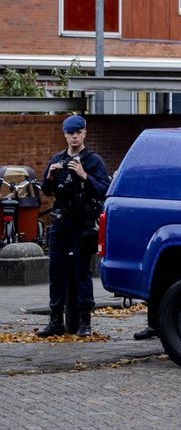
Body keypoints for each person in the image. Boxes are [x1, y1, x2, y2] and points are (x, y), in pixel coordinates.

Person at [37, 115, 111, 338]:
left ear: (85, 133)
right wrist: (49, 177)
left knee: (81, 271)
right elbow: (47, 191)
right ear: (65, 135)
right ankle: (55, 319)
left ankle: (84, 320)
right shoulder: (57, 158)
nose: (74, 137)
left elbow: (104, 189)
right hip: (61, 222)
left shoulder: (93, 161)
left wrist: (83, 175)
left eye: (78, 132)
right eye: (71, 133)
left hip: (83, 223)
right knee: (56, 271)